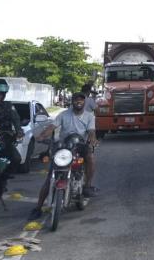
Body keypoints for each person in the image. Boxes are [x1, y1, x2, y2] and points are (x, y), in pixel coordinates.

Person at [28, 92, 98, 220]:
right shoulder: (64, 114)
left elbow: (91, 131)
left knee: (91, 157)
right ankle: (38, 208)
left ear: (84, 102)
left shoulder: (89, 116)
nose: (78, 102)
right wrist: (42, 135)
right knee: (51, 176)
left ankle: (87, 186)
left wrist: (92, 139)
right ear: (72, 101)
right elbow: (52, 126)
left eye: (81, 100)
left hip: (80, 145)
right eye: (76, 99)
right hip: (64, 146)